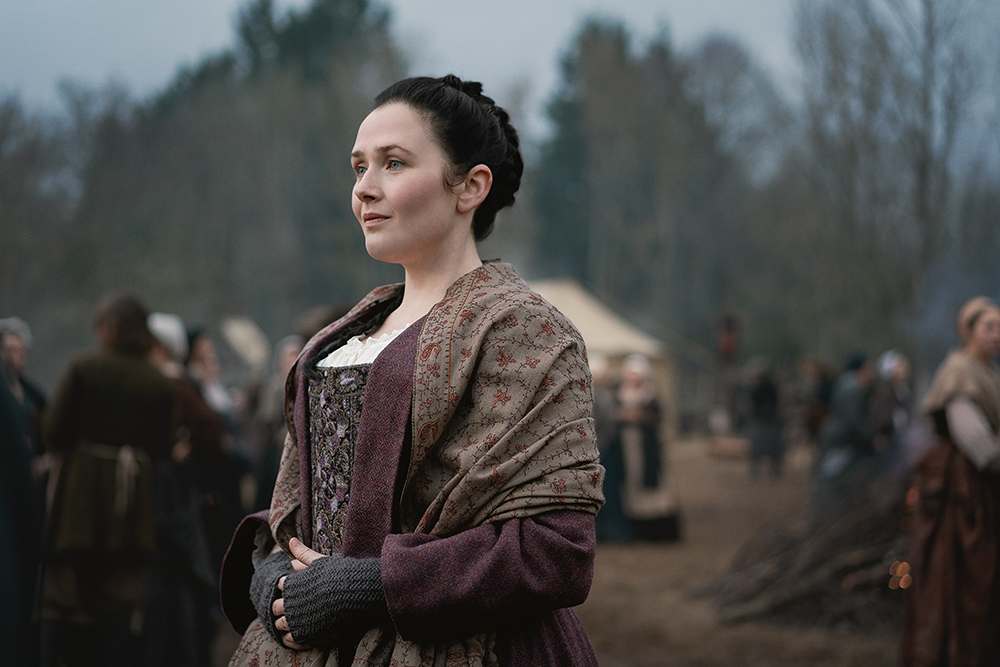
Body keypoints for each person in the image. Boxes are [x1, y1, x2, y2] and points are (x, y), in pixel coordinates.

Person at [220, 75, 604, 667]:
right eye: (358, 168)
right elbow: (300, 506)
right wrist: (271, 569)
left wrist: (369, 586)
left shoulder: (523, 330)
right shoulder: (336, 340)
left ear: (471, 186)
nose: (364, 188)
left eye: (393, 163)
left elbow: (556, 552)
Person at [41, 294, 177, 667]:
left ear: (111, 328)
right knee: (120, 602)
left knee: (65, 598)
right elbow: (164, 447)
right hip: (133, 505)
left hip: (79, 502)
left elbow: (53, 431)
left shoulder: (84, 369)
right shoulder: (159, 382)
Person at [902, 296, 1000, 666]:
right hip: (962, 491)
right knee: (961, 576)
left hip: (984, 488)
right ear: (967, 331)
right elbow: (978, 444)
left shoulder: (989, 370)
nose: (997, 334)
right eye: (989, 326)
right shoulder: (959, 371)